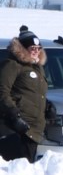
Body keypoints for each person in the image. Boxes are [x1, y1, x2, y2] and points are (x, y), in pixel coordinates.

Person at [0, 26, 49, 163]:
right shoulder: (12, 65)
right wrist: (13, 115)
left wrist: (48, 106)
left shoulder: (38, 68)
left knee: (28, 172)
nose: (36, 51)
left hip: (34, 130)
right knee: (17, 171)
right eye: (32, 48)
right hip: (15, 129)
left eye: (38, 48)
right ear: (23, 49)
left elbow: (34, 93)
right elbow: (2, 92)